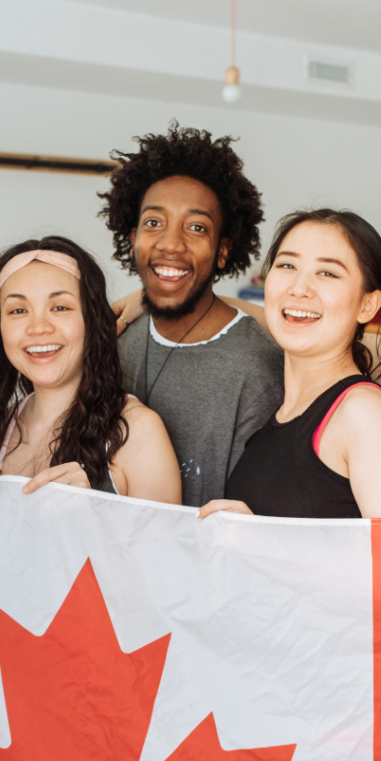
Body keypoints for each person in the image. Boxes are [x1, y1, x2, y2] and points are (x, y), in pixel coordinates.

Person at [98, 124, 284, 508]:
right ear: (133, 239)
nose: (170, 243)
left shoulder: (257, 368)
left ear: (222, 251)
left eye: (197, 227)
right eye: (154, 222)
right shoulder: (114, 343)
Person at [200, 210, 381, 519]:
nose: (299, 288)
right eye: (287, 266)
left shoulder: (363, 413)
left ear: (368, 305)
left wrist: (261, 537)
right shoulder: (278, 415)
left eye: (327, 273)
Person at [0, 236, 182, 503]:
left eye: (60, 307)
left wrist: (90, 512)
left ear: (92, 321)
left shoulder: (138, 431)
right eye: (18, 310)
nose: (38, 327)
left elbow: (164, 535)